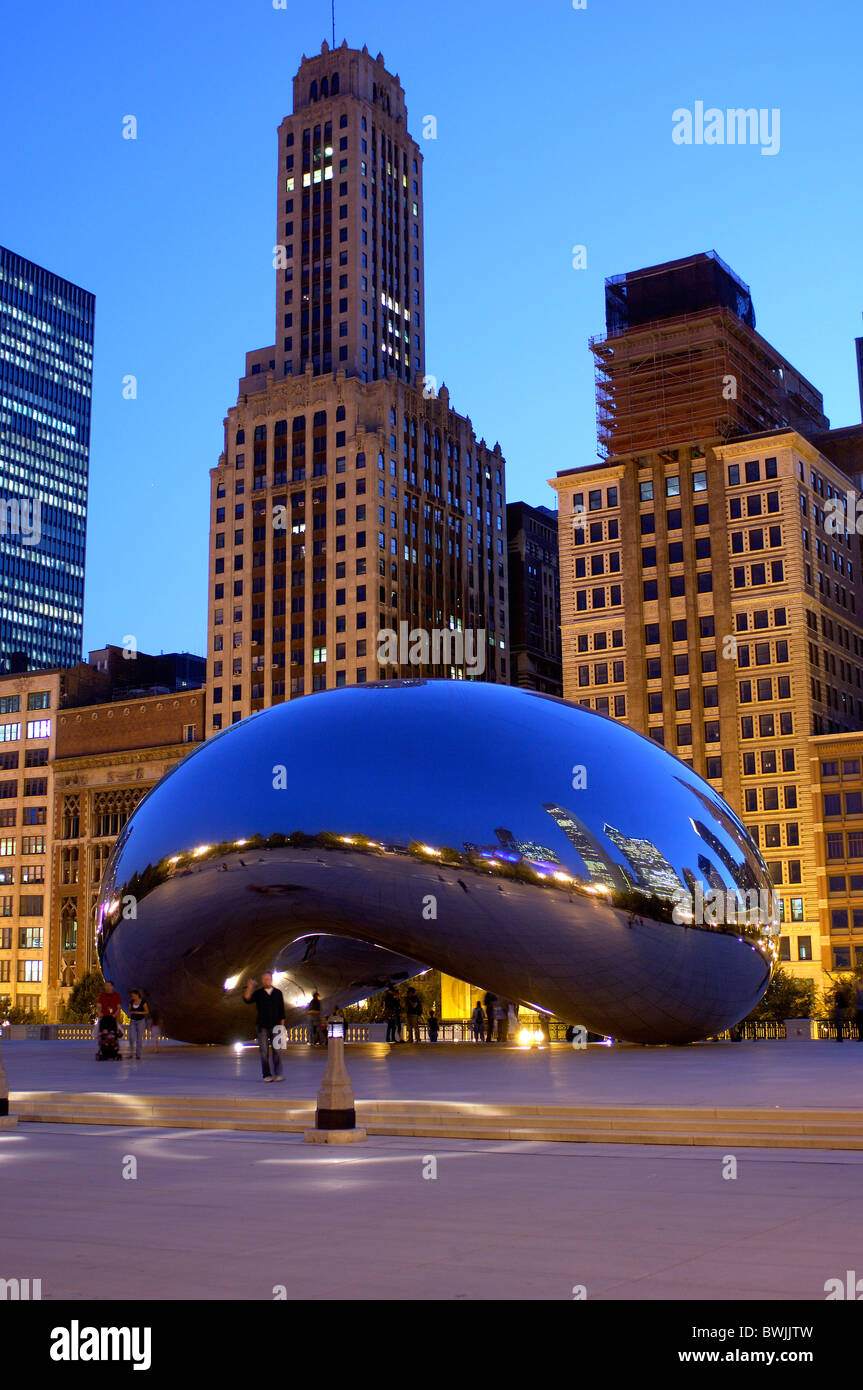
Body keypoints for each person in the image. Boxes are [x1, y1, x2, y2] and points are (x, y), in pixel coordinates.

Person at [242, 972, 287, 1081]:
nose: (266, 981)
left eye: (268, 979)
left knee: (277, 1051)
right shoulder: (258, 993)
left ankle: (278, 1074)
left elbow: (282, 1011)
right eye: (264, 979)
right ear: (262, 981)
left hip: (276, 1026)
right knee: (264, 1052)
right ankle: (266, 1075)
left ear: (271, 980)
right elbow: (247, 999)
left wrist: (282, 1027)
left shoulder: (278, 993)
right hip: (262, 1026)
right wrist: (250, 988)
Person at [126, 989, 149, 1060]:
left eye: (133, 995)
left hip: (141, 1021)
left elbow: (147, 1011)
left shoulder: (143, 1002)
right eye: (131, 996)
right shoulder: (131, 1002)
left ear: (137, 995)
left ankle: (138, 1054)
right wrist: (131, 1011)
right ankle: (131, 1053)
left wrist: (139, 1013)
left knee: (139, 1038)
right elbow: (129, 1010)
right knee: (131, 1037)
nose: (132, 997)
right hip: (133, 1021)